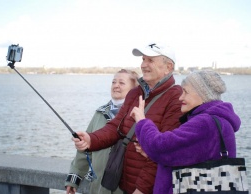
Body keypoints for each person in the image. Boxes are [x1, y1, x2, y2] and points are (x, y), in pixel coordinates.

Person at [72, 42, 183, 194]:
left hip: (151, 189)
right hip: (126, 186)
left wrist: (142, 189)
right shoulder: (135, 93)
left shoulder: (176, 97)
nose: (143, 65)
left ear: (168, 67)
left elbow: (165, 150)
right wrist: (91, 139)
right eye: (143, 59)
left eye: (150, 60)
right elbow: (115, 127)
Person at [130, 70, 241, 194]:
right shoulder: (218, 120)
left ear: (202, 94)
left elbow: (160, 147)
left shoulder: (205, 123)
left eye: (185, 92)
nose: (180, 97)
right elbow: (187, 156)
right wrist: (151, 153)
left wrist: (141, 121)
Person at [65, 69, 139, 194]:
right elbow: (85, 150)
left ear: (134, 90)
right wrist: (74, 179)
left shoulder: (139, 114)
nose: (116, 85)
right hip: (99, 187)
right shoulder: (100, 113)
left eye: (122, 83)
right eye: (114, 82)